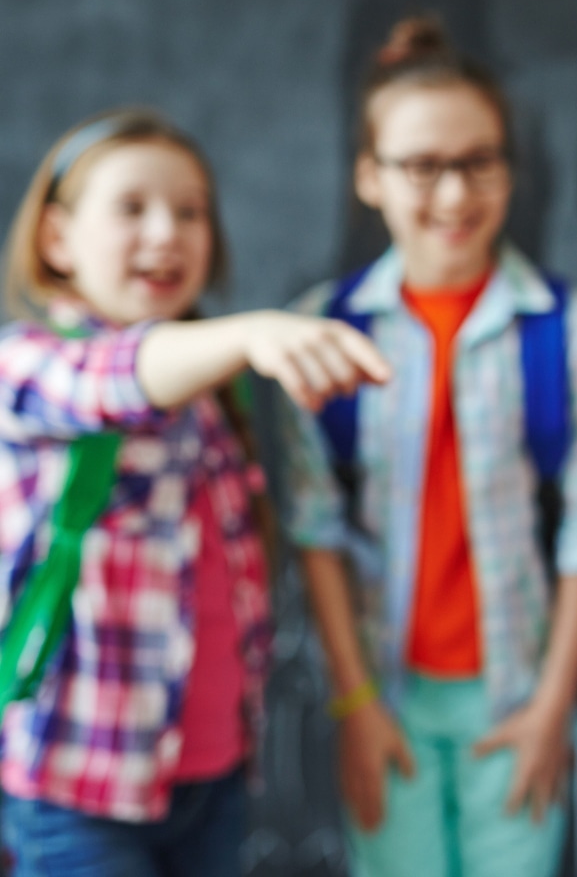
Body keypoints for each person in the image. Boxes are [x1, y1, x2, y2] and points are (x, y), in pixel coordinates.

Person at [0, 110, 389, 877]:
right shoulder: (30, 364)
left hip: (212, 771)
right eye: (132, 208)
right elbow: (115, 379)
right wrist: (249, 334)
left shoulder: (211, 396)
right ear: (55, 240)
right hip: (80, 784)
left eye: (190, 211)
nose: (167, 233)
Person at [283, 15, 577, 877]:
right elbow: (316, 530)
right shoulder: (320, 333)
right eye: (421, 166)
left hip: (516, 690)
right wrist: (355, 704)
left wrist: (554, 708)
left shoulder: (569, 329)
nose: (453, 194)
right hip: (383, 690)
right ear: (369, 177)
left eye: (480, 161)